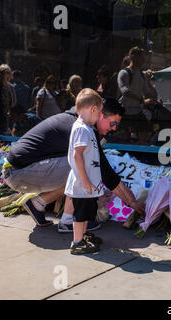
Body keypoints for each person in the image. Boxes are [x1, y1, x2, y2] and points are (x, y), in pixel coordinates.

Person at [2, 97, 145, 232]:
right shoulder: (81, 128)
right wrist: (131, 202)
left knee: (85, 164)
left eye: (117, 125)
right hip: (19, 172)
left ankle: (37, 204)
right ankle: (69, 221)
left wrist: (130, 200)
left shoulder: (78, 122)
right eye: (113, 123)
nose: (114, 128)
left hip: (19, 172)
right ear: (99, 114)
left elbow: (104, 170)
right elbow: (104, 170)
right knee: (84, 166)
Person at [65, 89, 104, 255]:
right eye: (99, 113)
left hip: (88, 183)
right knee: (80, 214)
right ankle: (77, 242)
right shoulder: (81, 129)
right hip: (82, 183)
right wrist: (86, 180)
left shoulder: (86, 128)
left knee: (88, 211)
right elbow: (77, 155)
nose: (100, 117)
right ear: (93, 109)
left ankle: (83, 235)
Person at [117, 46, 155, 145]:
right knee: (120, 138)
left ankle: (140, 154)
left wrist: (152, 94)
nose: (143, 60)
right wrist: (141, 100)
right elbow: (125, 92)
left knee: (145, 135)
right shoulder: (124, 73)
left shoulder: (142, 75)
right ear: (132, 57)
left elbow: (147, 93)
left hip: (137, 111)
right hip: (123, 111)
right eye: (141, 57)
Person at [0, 64, 17, 133]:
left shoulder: (10, 87)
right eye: (3, 72)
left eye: (7, 72)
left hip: (6, 116)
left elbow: (13, 102)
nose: (5, 75)